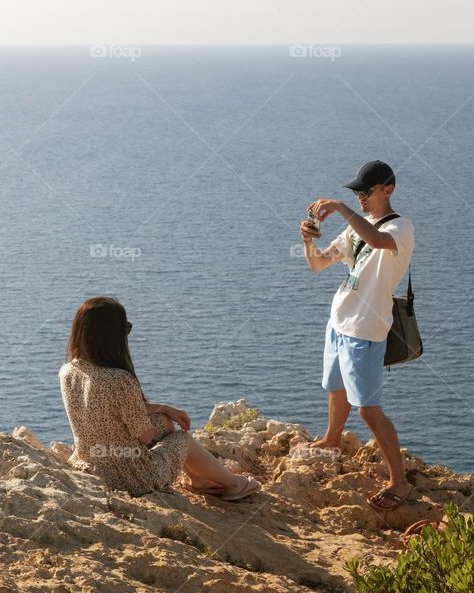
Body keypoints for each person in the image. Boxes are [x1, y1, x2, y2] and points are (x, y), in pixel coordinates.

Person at [58, 296, 260, 501]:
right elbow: (145, 437)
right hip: (130, 478)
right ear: (110, 336)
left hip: (89, 465)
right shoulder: (119, 379)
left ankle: (198, 480)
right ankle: (234, 484)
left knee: (163, 421)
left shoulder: (68, 371)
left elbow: (104, 408)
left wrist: (164, 409)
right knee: (183, 440)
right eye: (124, 329)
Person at [300, 160, 416, 512]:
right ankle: (332, 439)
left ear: (388, 190)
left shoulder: (401, 228)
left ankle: (400, 481)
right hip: (339, 321)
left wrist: (340, 207)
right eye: (357, 193)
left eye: (366, 192)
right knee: (335, 386)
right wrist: (307, 241)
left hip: (366, 329)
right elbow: (319, 264)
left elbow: (378, 240)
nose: (361, 198)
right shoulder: (356, 228)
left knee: (368, 410)